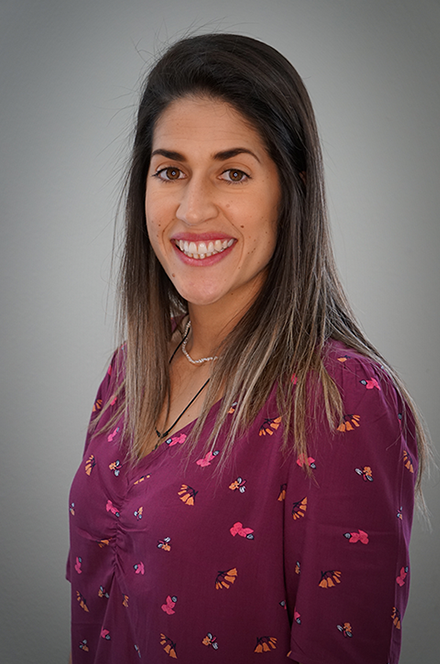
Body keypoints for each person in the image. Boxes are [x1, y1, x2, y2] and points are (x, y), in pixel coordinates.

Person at [66, 33, 427, 664]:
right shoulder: (128, 375)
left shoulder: (339, 399)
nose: (192, 208)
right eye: (170, 170)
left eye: (233, 172)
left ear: (292, 190)